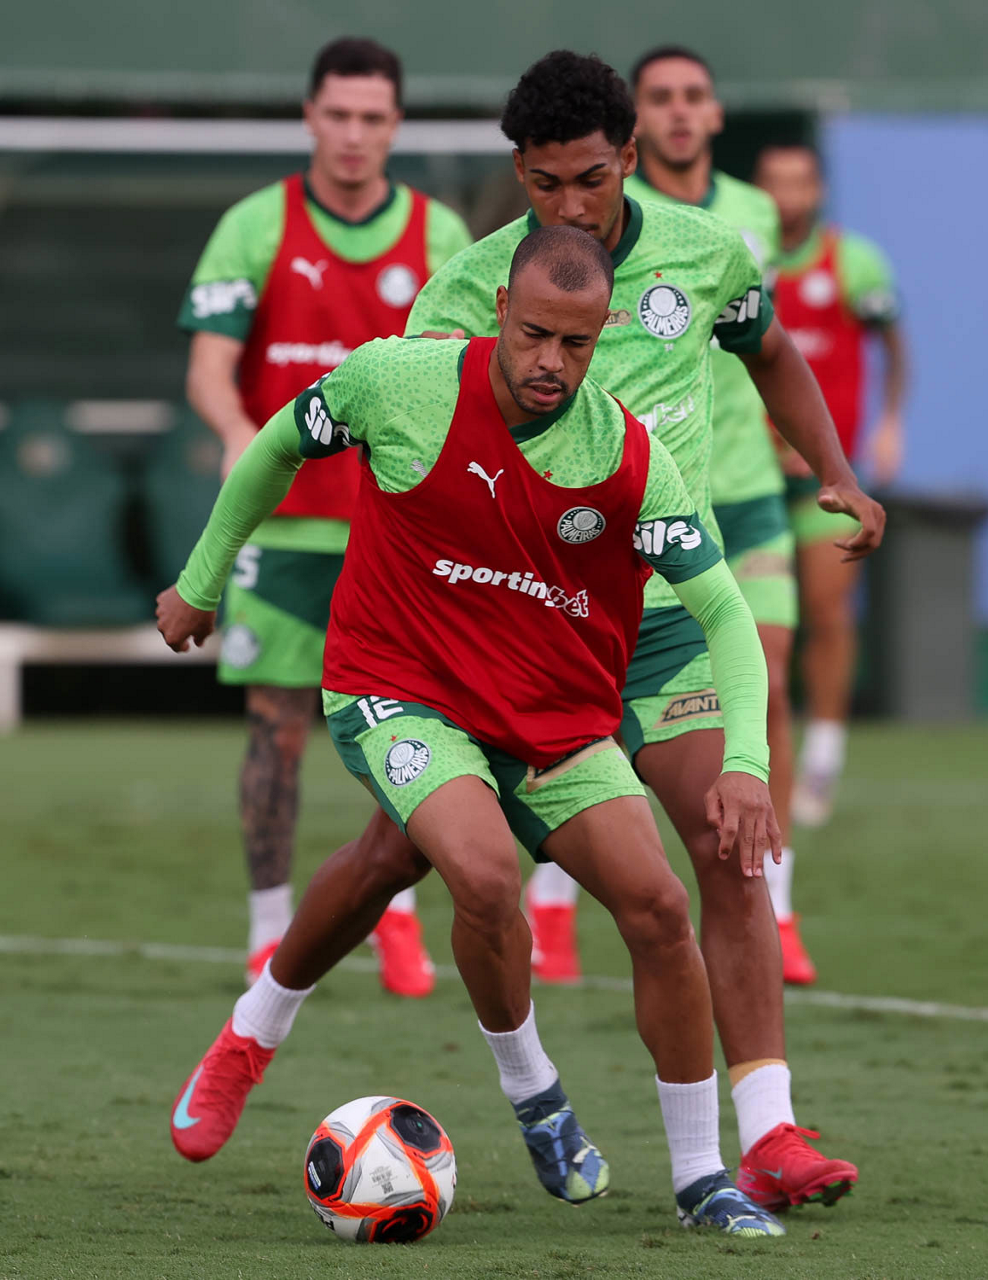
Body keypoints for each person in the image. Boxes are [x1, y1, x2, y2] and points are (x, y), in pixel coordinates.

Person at [160, 52, 881, 1218]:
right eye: (544, 185)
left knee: (713, 851)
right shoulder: (456, 299)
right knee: (410, 858)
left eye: (590, 180)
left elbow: (772, 356)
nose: (570, 208)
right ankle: (264, 1027)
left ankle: (758, 1137)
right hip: (480, 643)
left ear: (629, 158)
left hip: (642, 629)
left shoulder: (701, 269)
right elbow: (400, 451)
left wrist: (834, 468)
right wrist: (245, 590)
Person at [177, 35, 470, 995]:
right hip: (284, 526)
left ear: (396, 125)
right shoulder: (254, 225)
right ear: (310, 116)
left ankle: (397, 918)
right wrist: (234, 428)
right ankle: (269, 929)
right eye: (337, 114)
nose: (352, 134)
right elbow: (209, 368)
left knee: (417, 727)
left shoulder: (439, 236)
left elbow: (467, 375)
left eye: (371, 117)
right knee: (278, 728)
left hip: (399, 531)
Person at [526, 45, 817, 985]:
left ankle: (778, 902)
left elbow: (766, 345)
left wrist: (828, 463)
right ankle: (546, 904)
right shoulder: (531, 258)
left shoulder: (738, 226)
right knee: (543, 777)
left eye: (695, 95)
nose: (682, 111)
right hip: (568, 570)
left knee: (762, 681)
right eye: (664, 96)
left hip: (730, 499)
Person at [753, 142, 907, 830]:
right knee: (751, 631)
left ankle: (823, 753)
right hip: (747, 476)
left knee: (827, 609)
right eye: (775, 182)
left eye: (800, 182)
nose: (787, 195)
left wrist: (890, 424)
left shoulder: (854, 263)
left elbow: (895, 348)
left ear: (818, 190)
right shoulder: (742, 260)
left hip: (829, 480)